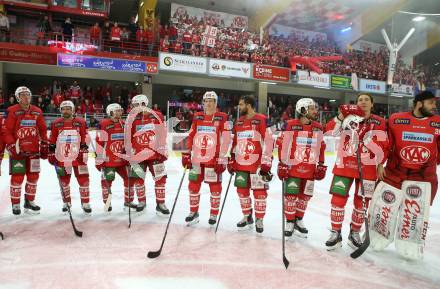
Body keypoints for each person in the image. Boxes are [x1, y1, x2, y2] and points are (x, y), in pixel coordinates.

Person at [370, 90, 440, 260]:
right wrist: (380, 161)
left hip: (423, 177)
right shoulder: (396, 119)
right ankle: (378, 238)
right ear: (419, 103)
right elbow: (386, 144)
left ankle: (408, 247)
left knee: (414, 214)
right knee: (384, 207)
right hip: (395, 173)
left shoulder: (438, 123)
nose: (435, 107)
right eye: (431, 103)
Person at [324, 93, 388, 250]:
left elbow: (385, 144)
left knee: (361, 203)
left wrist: (381, 164)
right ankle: (336, 232)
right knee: (338, 200)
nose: (363, 102)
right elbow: (329, 132)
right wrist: (340, 116)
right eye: (360, 100)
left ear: (372, 104)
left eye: (367, 100)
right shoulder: (347, 118)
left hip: (368, 168)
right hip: (344, 165)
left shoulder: (379, 122)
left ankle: (355, 233)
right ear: (356, 103)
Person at [277, 98, 326, 238]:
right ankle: (290, 221)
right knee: (291, 196)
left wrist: (321, 164)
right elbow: (283, 145)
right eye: (311, 108)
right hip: (293, 168)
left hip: (310, 168)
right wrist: (282, 163)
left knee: (305, 197)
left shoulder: (318, 127)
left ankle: (299, 219)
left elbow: (321, 147)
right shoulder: (291, 125)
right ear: (303, 110)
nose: (314, 111)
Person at [181, 91, 230, 225]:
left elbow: (226, 139)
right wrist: (186, 152)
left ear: (215, 102)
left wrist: (221, 158)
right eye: (206, 100)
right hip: (197, 159)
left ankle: (213, 214)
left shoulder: (223, 117)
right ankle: (193, 212)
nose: (208, 103)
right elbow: (191, 135)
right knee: (193, 185)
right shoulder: (197, 116)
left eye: (211, 100)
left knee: (215, 187)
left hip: (213, 160)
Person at [228, 95, 273, 233]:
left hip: (257, 165)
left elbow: (269, 141)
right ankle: (247, 216)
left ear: (248, 105)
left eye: (241, 105)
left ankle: (259, 219)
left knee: (259, 193)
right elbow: (235, 141)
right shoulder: (239, 121)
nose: (239, 107)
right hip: (241, 163)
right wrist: (231, 158)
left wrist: (266, 162)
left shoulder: (262, 119)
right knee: (242, 192)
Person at [3, 86, 48, 215]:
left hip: (34, 151)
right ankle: (15, 203)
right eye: (22, 94)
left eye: (27, 94)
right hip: (18, 151)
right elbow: (6, 130)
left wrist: (45, 142)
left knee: (33, 177)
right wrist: (11, 145)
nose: (26, 96)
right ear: (17, 97)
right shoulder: (11, 111)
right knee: (17, 178)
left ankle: (29, 201)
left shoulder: (37, 111)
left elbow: (43, 129)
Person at [125, 94, 169, 214]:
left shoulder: (157, 115)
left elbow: (162, 133)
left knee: (160, 179)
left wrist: (162, 149)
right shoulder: (131, 118)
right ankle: (142, 202)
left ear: (144, 104)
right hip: (139, 155)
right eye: (134, 105)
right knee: (138, 179)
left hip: (155, 154)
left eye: (137, 105)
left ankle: (161, 203)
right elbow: (128, 136)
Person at [48, 100, 91, 214]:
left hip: (78, 156)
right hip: (62, 157)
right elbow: (52, 139)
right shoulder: (56, 123)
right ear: (61, 110)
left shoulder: (81, 122)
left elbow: (85, 137)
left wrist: (84, 149)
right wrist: (51, 152)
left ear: (73, 110)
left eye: (68, 108)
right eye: (63, 108)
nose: (66, 110)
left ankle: (85, 202)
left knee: (84, 179)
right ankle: (66, 202)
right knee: (64, 181)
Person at [95, 103, 135, 212]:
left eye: (120, 110)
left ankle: (128, 201)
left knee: (130, 179)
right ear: (110, 112)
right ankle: (107, 203)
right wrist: (99, 159)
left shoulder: (124, 123)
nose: (119, 113)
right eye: (117, 111)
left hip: (122, 160)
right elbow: (99, 143)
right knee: (107, 181)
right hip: (109, 160)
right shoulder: (104, 124)